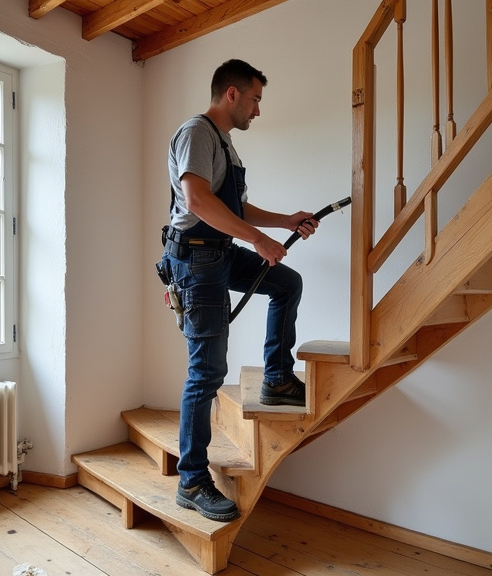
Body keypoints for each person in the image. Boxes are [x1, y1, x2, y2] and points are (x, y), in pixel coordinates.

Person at [159, 59, 318, 522]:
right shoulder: (197, 132)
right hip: (195, 261)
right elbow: (197, 200)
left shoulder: (223, 141)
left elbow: (235, 208)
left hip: (219, 253)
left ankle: (277, 379)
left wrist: (284, 221)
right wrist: (259, 241)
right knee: (206, 373)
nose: (257, 110)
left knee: (287, 283)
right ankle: (191, 480)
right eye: (255, 99)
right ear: (232, 94)